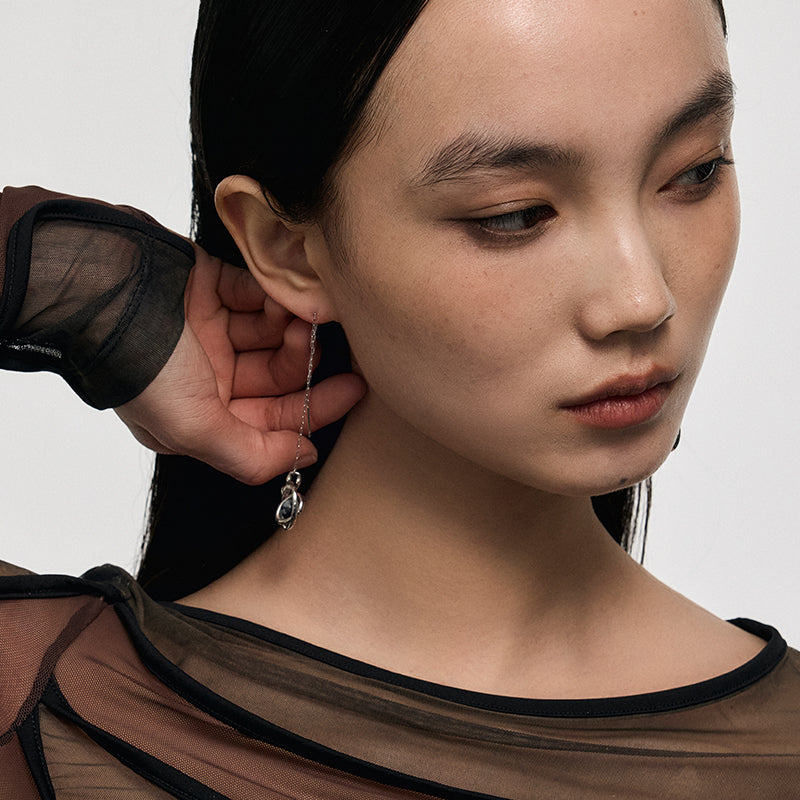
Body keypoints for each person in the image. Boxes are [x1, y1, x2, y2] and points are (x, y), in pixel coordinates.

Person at [1, 1, 798, 797]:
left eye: (696, 170)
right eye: (516, 215)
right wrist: (83, 285)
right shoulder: (52, 713)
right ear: (288, 248)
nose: (642, 299)